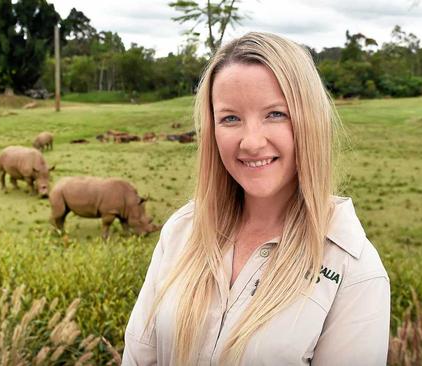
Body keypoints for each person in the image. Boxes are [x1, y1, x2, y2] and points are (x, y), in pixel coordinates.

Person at [122, 32, 390, 365]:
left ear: (311, 122)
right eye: (230, 118)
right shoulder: (181, 232)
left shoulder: (354, 270)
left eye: (275, 114)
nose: (250, 142)